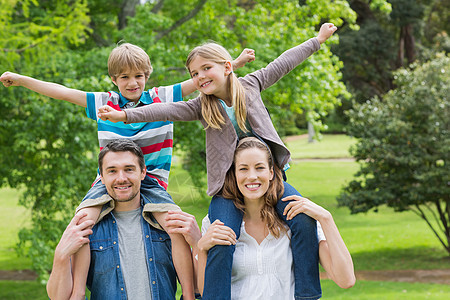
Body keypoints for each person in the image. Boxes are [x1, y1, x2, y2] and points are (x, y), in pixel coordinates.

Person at [97, 23, 338, 300]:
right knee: (221, 237)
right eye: (194, 73)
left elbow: (284, 62)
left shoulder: (251, 84)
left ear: (226, 67)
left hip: (269, 180)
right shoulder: (201, 106)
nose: (200, 76)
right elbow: (165, 109)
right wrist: (124, 116)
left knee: (303, 219)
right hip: (228, 189)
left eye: (205, 69)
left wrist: (317, 40)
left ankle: (307, 294)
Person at [0, 43, 254, 299]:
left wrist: (237, 62)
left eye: (138, 76)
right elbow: (64, 93)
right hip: (107, 181)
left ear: (147, 76)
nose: (132, 83)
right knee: (82, 224)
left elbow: (206, 78)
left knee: (175, 228)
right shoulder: (103, 102)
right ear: (114, 79)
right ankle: (77, 292)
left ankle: (188, 293)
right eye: (124, 77)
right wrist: (21, 80)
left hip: (152, 183)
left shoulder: (162, 97)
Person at [165, 137, 355, 299]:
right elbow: (208, 291)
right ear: (234, 174)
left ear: (271, 172)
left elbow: (346, 280)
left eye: (259, 168)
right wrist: (202, 247)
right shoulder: (216, 223)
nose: (252, 176)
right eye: (244, 169)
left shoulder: (295, 220)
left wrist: (326, 218)